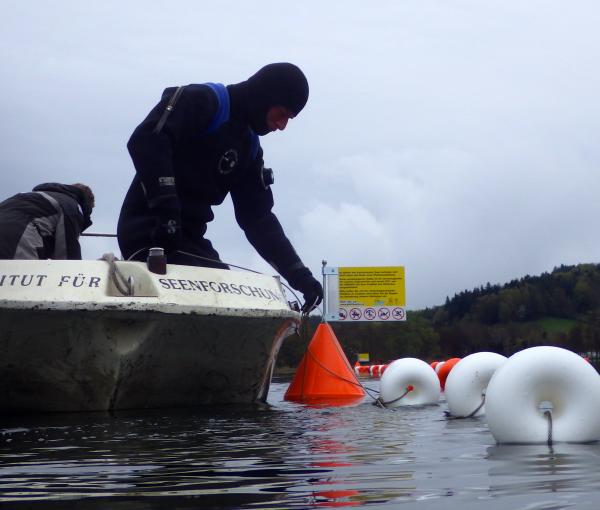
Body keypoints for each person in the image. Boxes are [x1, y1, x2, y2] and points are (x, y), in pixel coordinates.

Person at [117, 63, 323, 312]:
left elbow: (257, 218)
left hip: (190, 241)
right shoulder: (205, 101)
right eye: (281, 114)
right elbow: (147, 139)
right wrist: (167, 212)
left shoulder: (249, 148)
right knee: (214, 307)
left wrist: (300, 276)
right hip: (149, 234)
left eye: (288, 120)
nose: (282, 126)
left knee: (236, 306)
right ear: (264, 97)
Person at [0, 182, 95, 260]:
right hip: (21, 237)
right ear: (85, 205)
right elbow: (67, 254)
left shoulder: (27, 196)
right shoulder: (70, 206)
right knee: (25, 278)